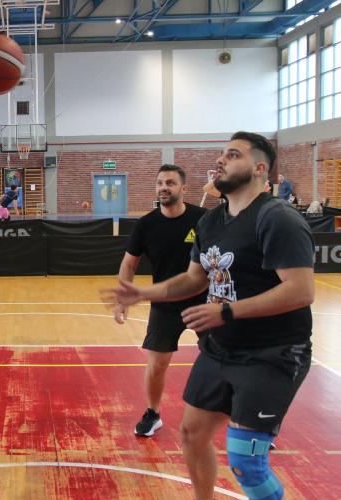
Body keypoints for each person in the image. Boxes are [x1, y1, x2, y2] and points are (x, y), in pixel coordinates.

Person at [103, 132, 314, 500]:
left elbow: (300, 290)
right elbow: (194, 278)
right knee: (192, 433)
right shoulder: (212, 221)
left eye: (232, 155)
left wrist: (227, 311)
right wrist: (144, 293)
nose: (220, 160)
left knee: (247, 464)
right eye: (221, 154)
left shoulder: (278, 218)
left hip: (272, 352)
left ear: (259, 168)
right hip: (221, 349)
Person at [115, 164, 207, 438]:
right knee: (156, 364)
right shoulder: (146, 224)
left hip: (205, 302)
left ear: (183, 188)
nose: (163, 188)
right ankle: (153, 413)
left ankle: (241, 420)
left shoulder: (204, 219)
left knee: (226, 360)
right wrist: (124, 297)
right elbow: (128, 263)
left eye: (170, 183)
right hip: (165, 305)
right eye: (159, 183)